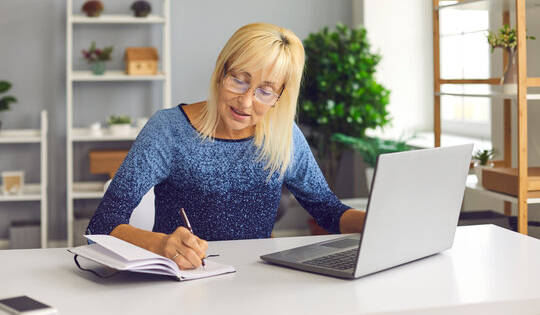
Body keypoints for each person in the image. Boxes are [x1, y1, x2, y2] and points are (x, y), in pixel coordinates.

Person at [87, 23, 366, 270]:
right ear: (221, 72)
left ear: (280, 97)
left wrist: (378, 221)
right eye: (239, 80)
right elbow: (101, 224)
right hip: (184, 281)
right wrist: (160, 244)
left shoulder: (284, 134)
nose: (245, 102)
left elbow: (329, 212)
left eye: (265, 92)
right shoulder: (169, 130)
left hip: (257, 280)